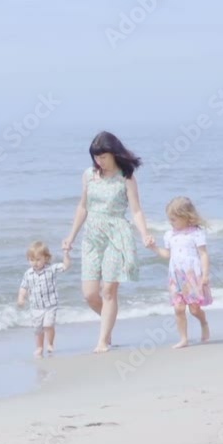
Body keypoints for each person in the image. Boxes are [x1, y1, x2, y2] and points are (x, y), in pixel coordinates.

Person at [62, 131, 155, 353]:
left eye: (103, 157)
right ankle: (108, 322)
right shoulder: (88, 175)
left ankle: (103, 340)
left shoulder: (127, 177)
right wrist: (71, 236)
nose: (99, 161)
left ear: (113, 154)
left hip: (117, 235)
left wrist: (144, 234)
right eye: (96, 157)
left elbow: (136, 210)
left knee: (109, 291)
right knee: (90, 294)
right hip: (92, 237)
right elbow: (82, 207)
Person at [144, 196, 212, 348]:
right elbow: (167, 255)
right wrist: (154, 248)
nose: (171, 222)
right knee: (178, 308)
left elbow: (203, 254)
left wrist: (205, 275)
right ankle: (183, 339)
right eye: (169, 219)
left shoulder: (196, 233)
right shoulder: (169, 235)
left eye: (173, 219)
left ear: (186, 217)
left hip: (192, 276)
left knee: (194, 310)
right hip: (175, 277)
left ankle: (203, 322)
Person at [17, 241, 72, 358]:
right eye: (32, 260)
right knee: (38, 329)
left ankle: (50, 343)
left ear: (46, 258)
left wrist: (66, 254)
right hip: (36, 307)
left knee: (48, 325)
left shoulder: (50, 269)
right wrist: (21, 297)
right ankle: (39, 347)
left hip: (50, 305)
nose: (35, 263)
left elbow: (65, 266)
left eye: (38, 259)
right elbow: (23, 287)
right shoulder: (28, 274)